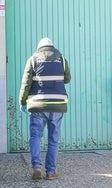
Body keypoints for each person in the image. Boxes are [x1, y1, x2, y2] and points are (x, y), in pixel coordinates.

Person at [19, 37, 71, 180]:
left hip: (38, 105)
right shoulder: (62, 59)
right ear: (52, 47)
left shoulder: (33, 59)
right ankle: (50, 172)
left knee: (35, 137)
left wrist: (22, 101)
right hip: (57, 105)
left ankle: (36, 167)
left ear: (39, 48)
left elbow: (26, 84)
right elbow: (67, 79)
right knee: (53, 139)